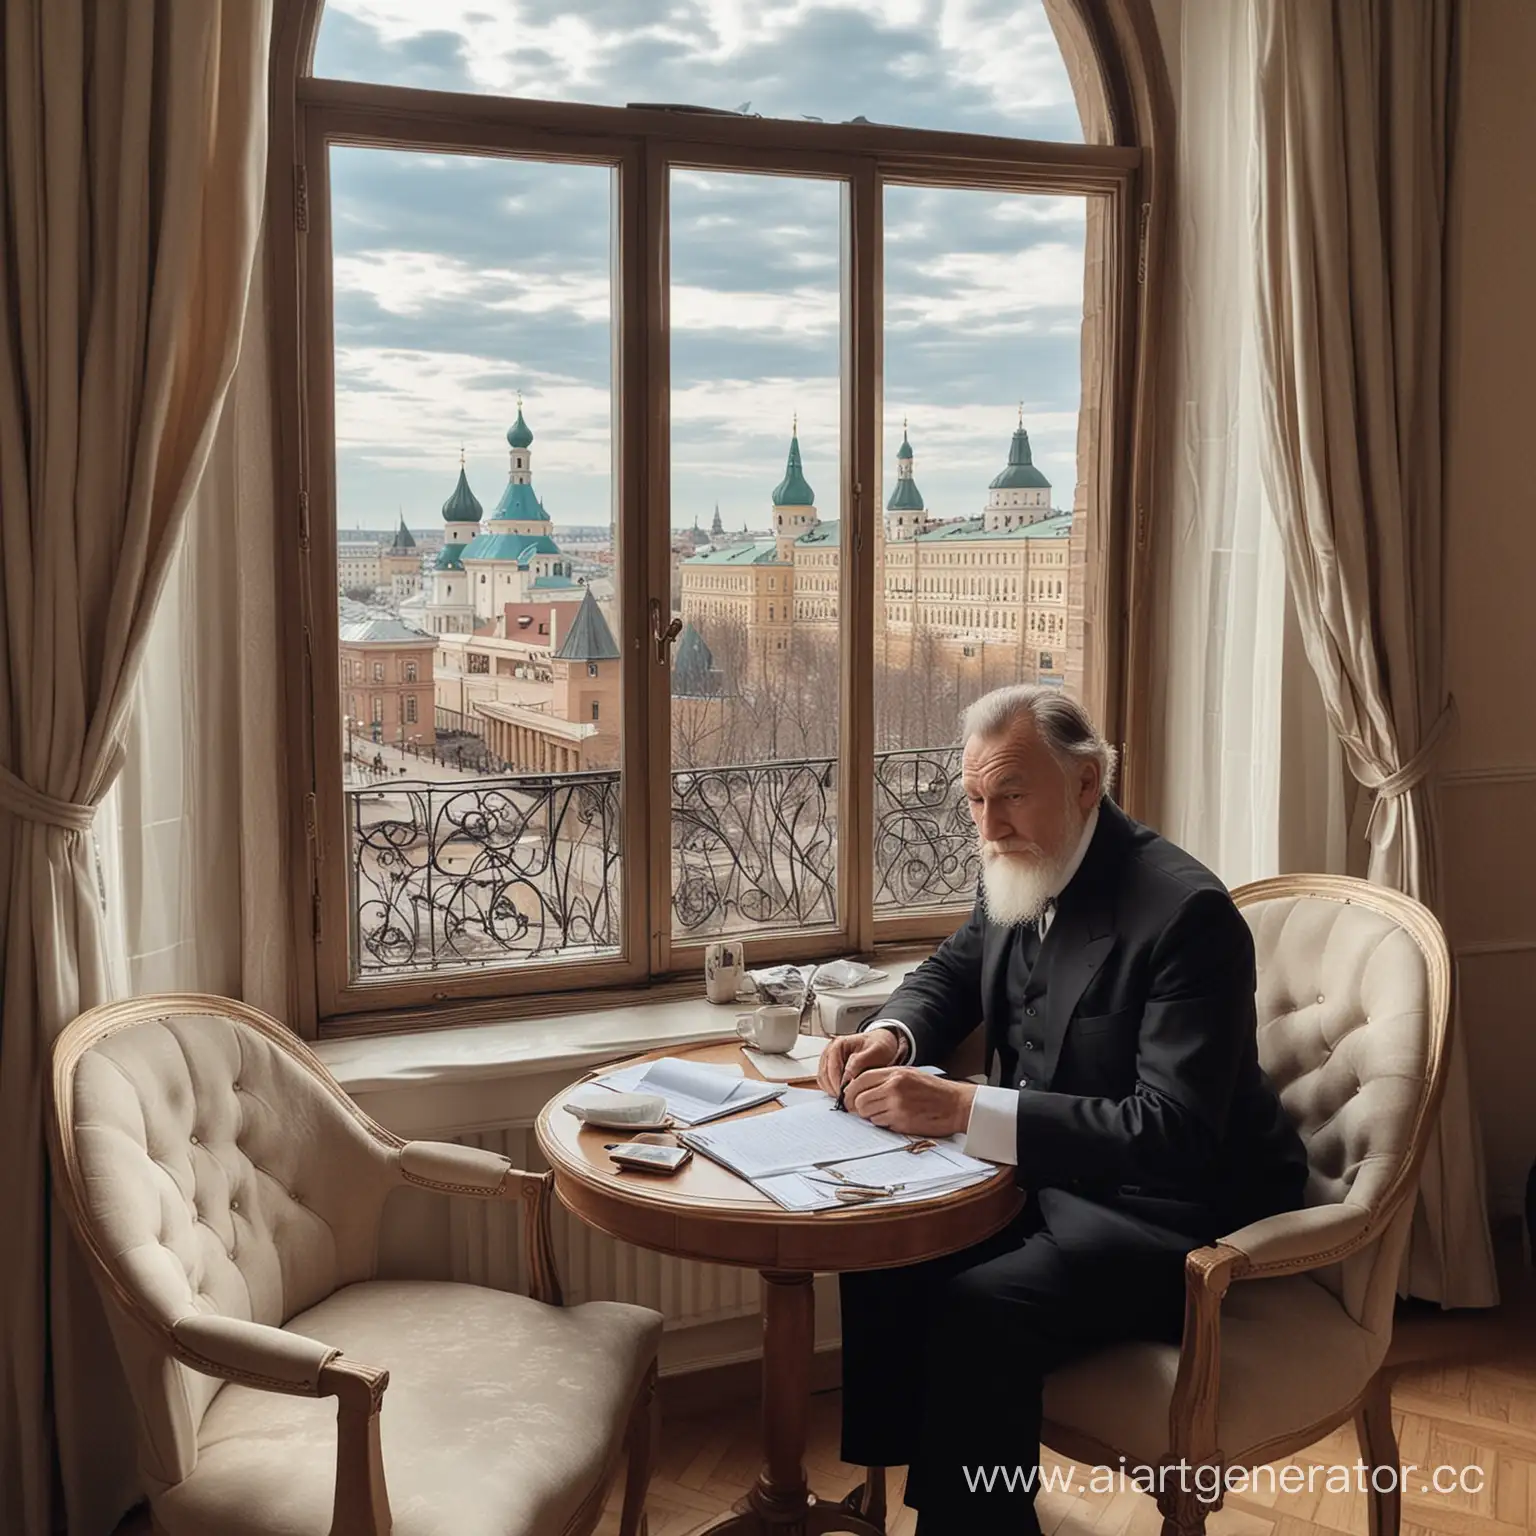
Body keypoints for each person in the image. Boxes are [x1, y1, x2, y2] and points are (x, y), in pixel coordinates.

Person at [818, 684, 1309, 1536]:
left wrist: (968, 1107)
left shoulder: (1187, 915)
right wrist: (893, 1034)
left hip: (1174, 1214)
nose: (988, 825)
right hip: (1046, 1182)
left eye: (1009, 794)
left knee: (981, 1308)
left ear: (1088, 783)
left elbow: (1173, 1133)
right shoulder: (1018, 865)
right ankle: (895, 1502)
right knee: (884, 1252)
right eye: (975, 799)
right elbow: (951, 971)